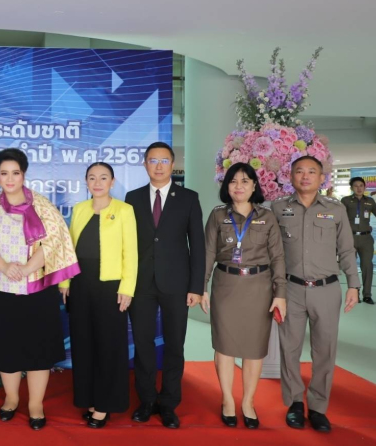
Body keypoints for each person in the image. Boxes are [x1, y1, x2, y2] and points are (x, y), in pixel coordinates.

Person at [0, 148, 79, 431]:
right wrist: (3, 266)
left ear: (24, 174)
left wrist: (26, 269)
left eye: (15, 173)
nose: (10, 178)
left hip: (38, 290)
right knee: (7, 346)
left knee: (39, 348)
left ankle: (36, 404)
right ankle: (11, 398)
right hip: (1, 290)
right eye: (4, 173)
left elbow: (53, 243)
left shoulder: (43, 207)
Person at [273, 155, 359, 433]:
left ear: (322, 178)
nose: (305, 176)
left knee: (325, 350)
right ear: (291, 176)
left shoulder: (335, 209)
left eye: (312, 171)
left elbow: (347, 249)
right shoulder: (278, 208)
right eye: (299, 171)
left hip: (326, 290)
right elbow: (271, 251)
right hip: (291, 290)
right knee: (289, 348)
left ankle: (319, 407)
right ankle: (295, 403)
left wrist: (354, 285)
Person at [200, 163, 287, 429]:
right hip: (226, 286)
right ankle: (227, 399)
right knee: (224, 347)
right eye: (233, 181)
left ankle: (248, 402)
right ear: (226, 186)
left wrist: (280, 293)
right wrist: (202, 287)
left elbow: (278, 257)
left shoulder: (267, 217)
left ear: (254, 186)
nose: (239, 186)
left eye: (245, 181)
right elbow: (207, 254)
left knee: (254, 348)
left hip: (259, 288)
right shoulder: (218, 215)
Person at [124, 141, 204, 429]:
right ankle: (146, 400)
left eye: (164, 160)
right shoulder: (132, 198)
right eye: (153, 160)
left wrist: (196, 287)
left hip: (177, 283)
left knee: (174, 344)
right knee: (143, 343)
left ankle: (169, 404)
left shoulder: (188, 198)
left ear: (172, 164)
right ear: (145, 164)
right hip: (141, 284)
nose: (158, 166)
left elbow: (198, 246)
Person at [59, 162, 137, 429]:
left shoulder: (124, 210)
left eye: (103, 178)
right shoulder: (80, 209)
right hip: (80, 285)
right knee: (84, 343)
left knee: (108, 345)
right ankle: (89, 399)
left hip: (110, 287)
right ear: (86, 182)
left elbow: (131, 253)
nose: (97, 182)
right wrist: (65, 281)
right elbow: (69, 249)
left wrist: (127, 288)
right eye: (92, 178)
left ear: (112, 182)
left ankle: (105, 404)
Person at [341, 176, 376, 304]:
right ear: (351, 188)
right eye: (356, 186)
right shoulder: (345, 201)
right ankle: (354, 293)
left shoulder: (370, 201)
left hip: (366, 239)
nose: (359, 188)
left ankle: (367, 295)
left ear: (365, 187)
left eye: (361, 186)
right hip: (350, 238)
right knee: (351, 267)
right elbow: (339, 219)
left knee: (367, 266)